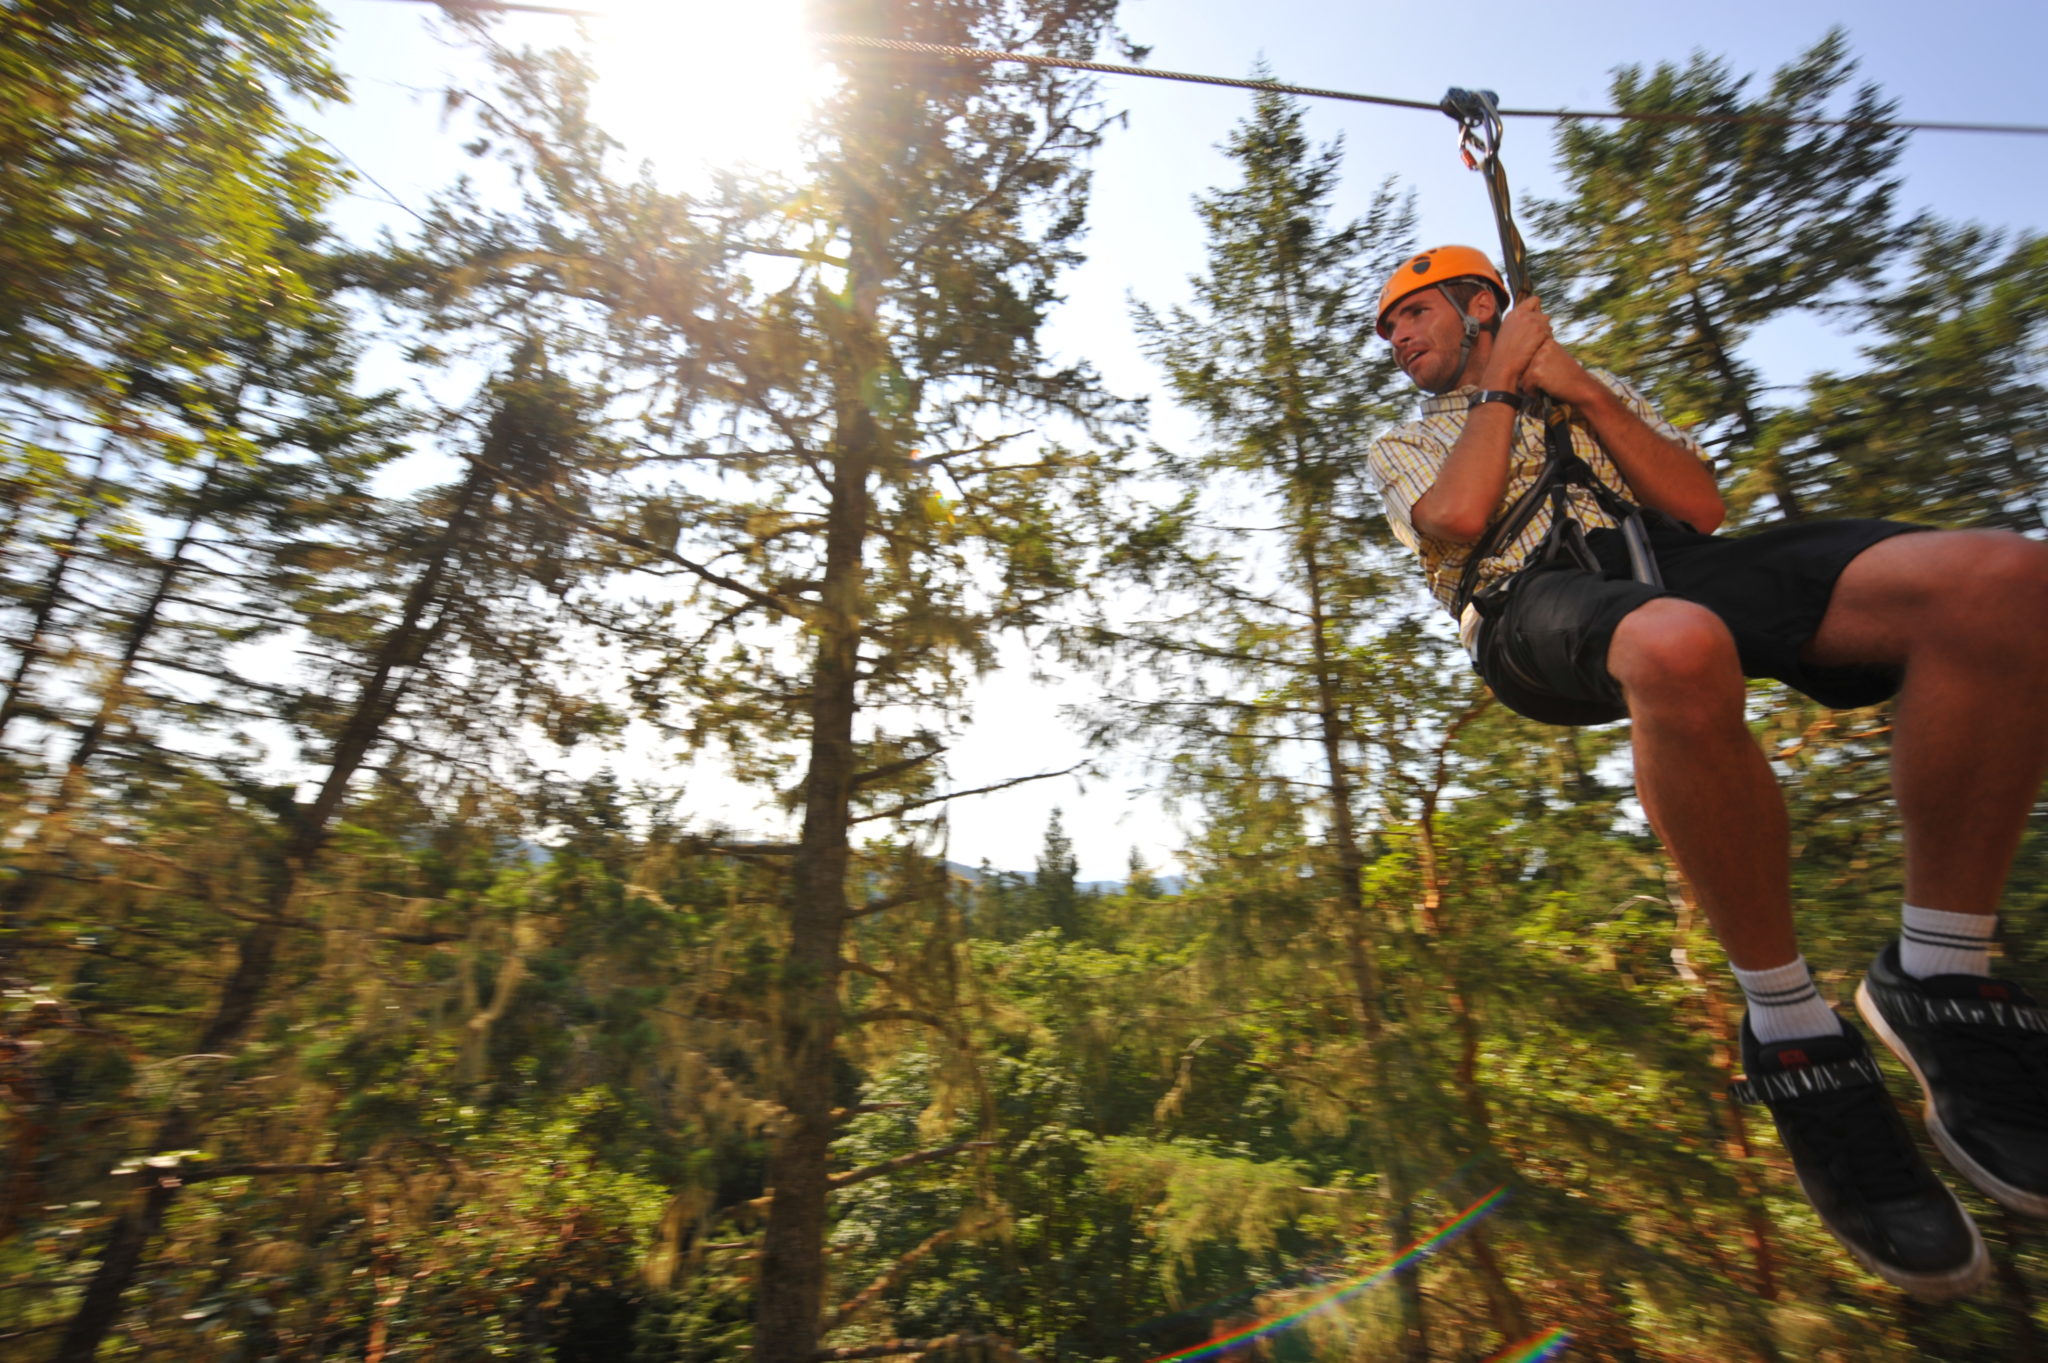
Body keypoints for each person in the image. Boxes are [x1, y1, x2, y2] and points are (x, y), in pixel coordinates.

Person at [1366, 245, 2048, 1299]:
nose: (1396, 339)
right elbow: (1458, 522)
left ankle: (1941, 972)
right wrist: (1503, 382)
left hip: (1661, 561)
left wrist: (1576, 385)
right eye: (1389, 329)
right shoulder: (1404, 441)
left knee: (2003, 582)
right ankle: (1789, 1028)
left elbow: (1696, 500)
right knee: (1675, 644)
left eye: (1411, 316)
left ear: (1474, 305)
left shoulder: (1578, 391)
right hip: (1526, 605)